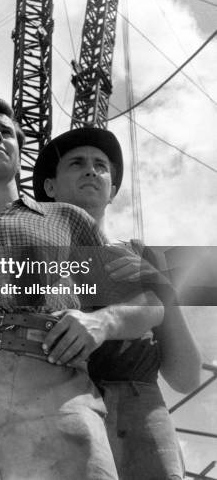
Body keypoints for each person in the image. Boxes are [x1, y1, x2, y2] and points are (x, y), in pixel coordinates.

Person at [0, 96, 165, 480]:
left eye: (7, 131)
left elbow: (148, 304)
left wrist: (103, 322)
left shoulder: (68, 220)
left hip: (54, 380)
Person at [33, 126, 201, 480]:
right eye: (76, 163)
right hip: (53, 417)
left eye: (101, 165)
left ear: (113, 190)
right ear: (49, 187)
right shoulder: (27, 259)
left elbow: (185, 378)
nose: (91, 170)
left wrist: (162, 287)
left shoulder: (142, 259)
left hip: (140, 429)